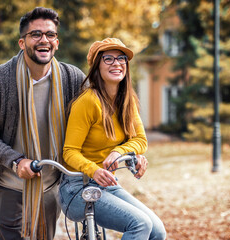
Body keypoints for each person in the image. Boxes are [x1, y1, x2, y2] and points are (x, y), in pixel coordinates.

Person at [0, 7, 85, 240]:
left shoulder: (73, 78)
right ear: (22, 43)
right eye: (36, 34)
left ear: (57, 42)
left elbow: (97, 120)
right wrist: (16, 161)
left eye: (50, 35)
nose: (44, 40)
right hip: (11, 184)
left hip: (53, 186)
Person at [58, 38, 166, 240]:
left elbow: (141, 140)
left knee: (157, 231)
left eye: (121, 58)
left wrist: (119, 152)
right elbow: (69, 151)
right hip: (77, 188)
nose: (117, 63)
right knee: (140, 224)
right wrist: (93, 169)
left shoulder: (127, 101)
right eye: (108, 59)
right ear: (96, 66)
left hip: (108, 185)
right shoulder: (88, 102)